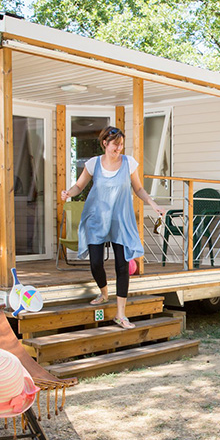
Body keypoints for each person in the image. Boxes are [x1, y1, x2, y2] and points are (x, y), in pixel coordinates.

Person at [60, 126, 166, 329]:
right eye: (115, 145)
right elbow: (79, 186)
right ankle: (104, 292)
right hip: (97, 219)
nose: (119, 149)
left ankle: (121, 314)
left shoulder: (129, 163)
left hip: (120, 219)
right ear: (105, 144)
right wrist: (69, 193)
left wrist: (153, 204)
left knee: (122, 266)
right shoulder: (93, 164)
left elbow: (139, 188)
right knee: (96, 263)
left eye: (121, 146)